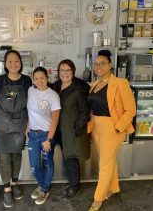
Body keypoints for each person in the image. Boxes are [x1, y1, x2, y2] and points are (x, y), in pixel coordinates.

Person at [87, 50, 136, 211]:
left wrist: (118, 127)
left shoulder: (120, 83)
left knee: (105, 164)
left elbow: (131, 109)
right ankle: (112, 187)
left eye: (102, 63)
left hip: (112, 128)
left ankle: (98, 198)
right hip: (97, 126)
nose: (98, 67)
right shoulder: (94, 84)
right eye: (96, 64)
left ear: (110, 65)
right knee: (108, 160)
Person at [0, 50, 32, 208]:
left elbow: (32, 103)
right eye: (10, 61)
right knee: (4, 157)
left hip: (19, 123)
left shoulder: (27, 81)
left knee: (16, 155)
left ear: (21, 63)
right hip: (2, 124)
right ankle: (7, 189)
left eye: (16, 61)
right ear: (5, 64)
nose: (13, 64)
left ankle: (14, 183)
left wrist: (30, 123)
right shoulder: (0, 80)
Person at [52, 59, 91, 201]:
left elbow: (84, 112)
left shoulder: (79, 88)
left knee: (71, 159)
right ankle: (72, 184)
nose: (65, 73)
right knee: (67, 158)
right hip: (59, 129)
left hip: (72, 131)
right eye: (62, 70)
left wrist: (76, 129)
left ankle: (75, 187)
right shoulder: (56, 86)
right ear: (58, 73)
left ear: (73, 72)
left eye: (68, 70)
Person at [26, 67, 61, 205]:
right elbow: (29, 112)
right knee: (34, 165)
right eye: (36, 78)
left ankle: (44, 189)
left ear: (47, 78)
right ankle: (42, 185)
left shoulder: (53, 95)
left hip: (47, 134)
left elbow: (55, 119)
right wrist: (27, 126)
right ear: (33, 80)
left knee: (48, 163)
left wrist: (49, 139)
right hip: (33, 135)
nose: (39, 81)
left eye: (42, 78)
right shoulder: (30, 90)